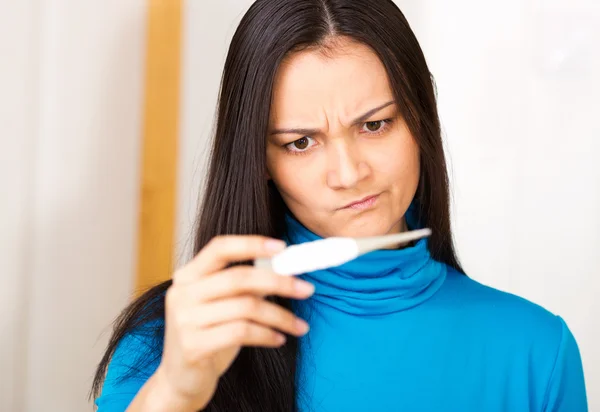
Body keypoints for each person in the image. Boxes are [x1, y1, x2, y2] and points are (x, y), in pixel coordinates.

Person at [91, 0, 588, 411]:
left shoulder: (536, 351)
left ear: (420, 121)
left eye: (375, 125)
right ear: (259, 159)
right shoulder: (177, 339)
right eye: (301, 142)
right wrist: (177, 389)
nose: (349, 174)